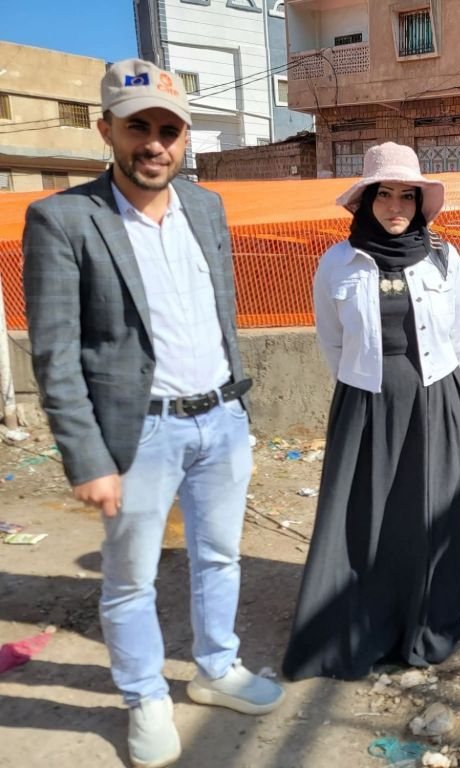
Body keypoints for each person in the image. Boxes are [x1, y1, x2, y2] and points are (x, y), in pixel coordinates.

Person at [22, 59, 283, 768]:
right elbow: (55, 353)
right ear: (106, 129)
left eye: (170, 130)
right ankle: (144, 698)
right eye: (139, 127)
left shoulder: (206, 206)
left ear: (185, 138)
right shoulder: (63, 219)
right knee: (130, 577)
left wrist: (239, 411)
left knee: (220, 556)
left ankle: (216, 668)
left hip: (221, 419)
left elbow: (221, 312)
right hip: (139, 433)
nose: (155, 144)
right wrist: (88, 458)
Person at [282, 142, 460, 681]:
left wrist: (431, 391)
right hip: (364, 401)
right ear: (366, 201)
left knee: (426, 511)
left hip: (434, 398)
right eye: (383, 194)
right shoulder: (337, 262)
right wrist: (370, 381)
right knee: (362, 513)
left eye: (406, 196)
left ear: (419, 203)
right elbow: (331, 340)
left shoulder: (445, 259)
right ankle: (360, 620)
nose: (395, 206)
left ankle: (421, 619)